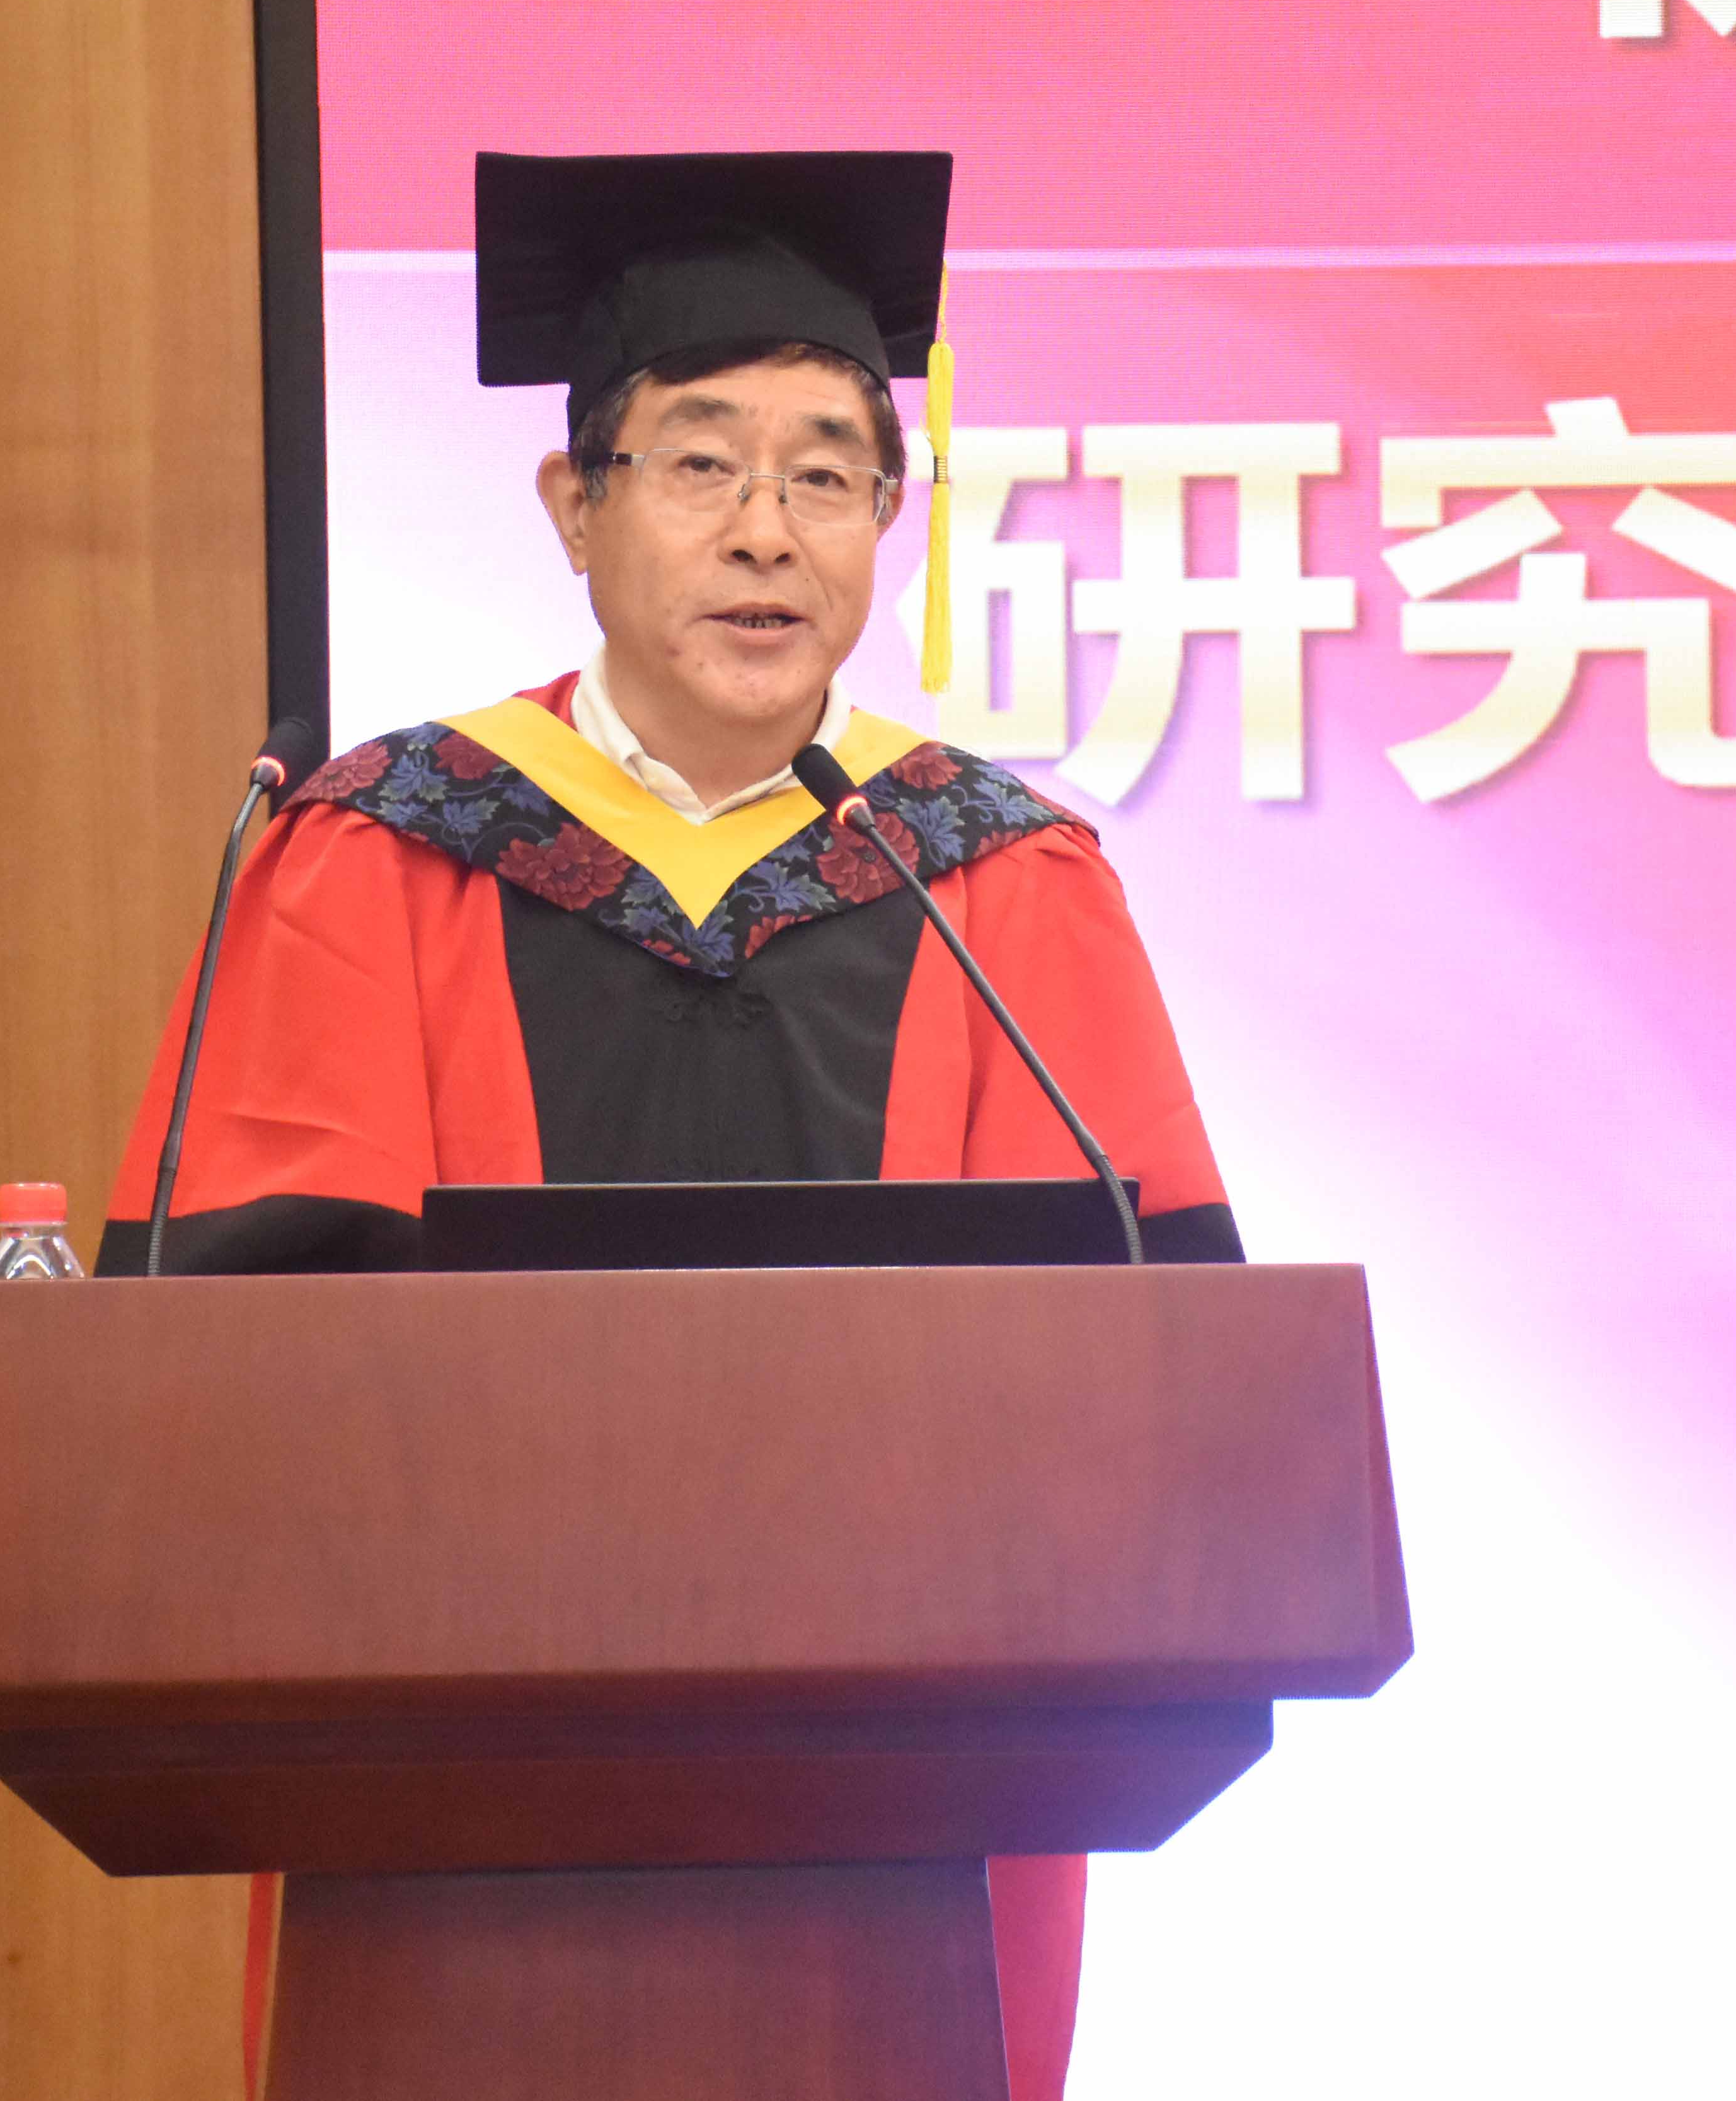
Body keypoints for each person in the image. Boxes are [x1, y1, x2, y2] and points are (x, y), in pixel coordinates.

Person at [99, 149, 1239, 2101]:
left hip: (915, 1779)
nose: (765, 531)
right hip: (452, 1784)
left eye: (825, 475)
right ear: (578, 504)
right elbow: (237, 1366)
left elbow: (1158, 1375)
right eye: (701, 464)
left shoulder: (1000, 875)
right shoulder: (380, 849)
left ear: (889, 519)